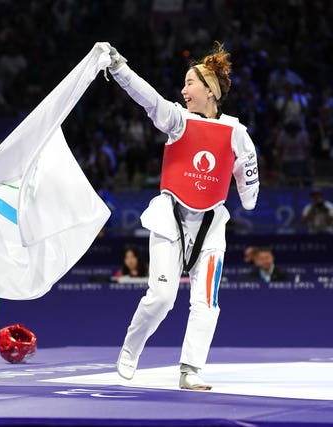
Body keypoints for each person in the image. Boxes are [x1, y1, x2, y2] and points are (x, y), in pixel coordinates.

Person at [106, 41, 260, 390]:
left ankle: (191, 370)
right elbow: (149, 98)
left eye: (190, 83)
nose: (183, 90)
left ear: (209, 91)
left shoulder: (237, 133)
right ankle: (131, 349)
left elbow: (248, 185)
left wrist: (247, 182)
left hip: (210, 228)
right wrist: (119, 68)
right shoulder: (178, 120)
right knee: (161, 298)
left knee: (207, 302)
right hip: (169, 220)